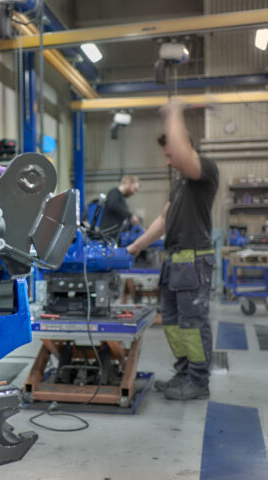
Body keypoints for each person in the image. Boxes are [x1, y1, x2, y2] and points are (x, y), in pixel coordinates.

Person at [126, 100, 218, 401]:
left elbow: (182, 153)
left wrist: (174, 111)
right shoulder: (179, 185)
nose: (169, 161)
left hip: (194, 261)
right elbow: (164, 219)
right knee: (175, 325)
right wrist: (135, 247)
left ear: (183, 146)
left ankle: (198, 381)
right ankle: (184, 374)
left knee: (193, 326)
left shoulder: (203, 172)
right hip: (175, 263)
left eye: (170, 155)